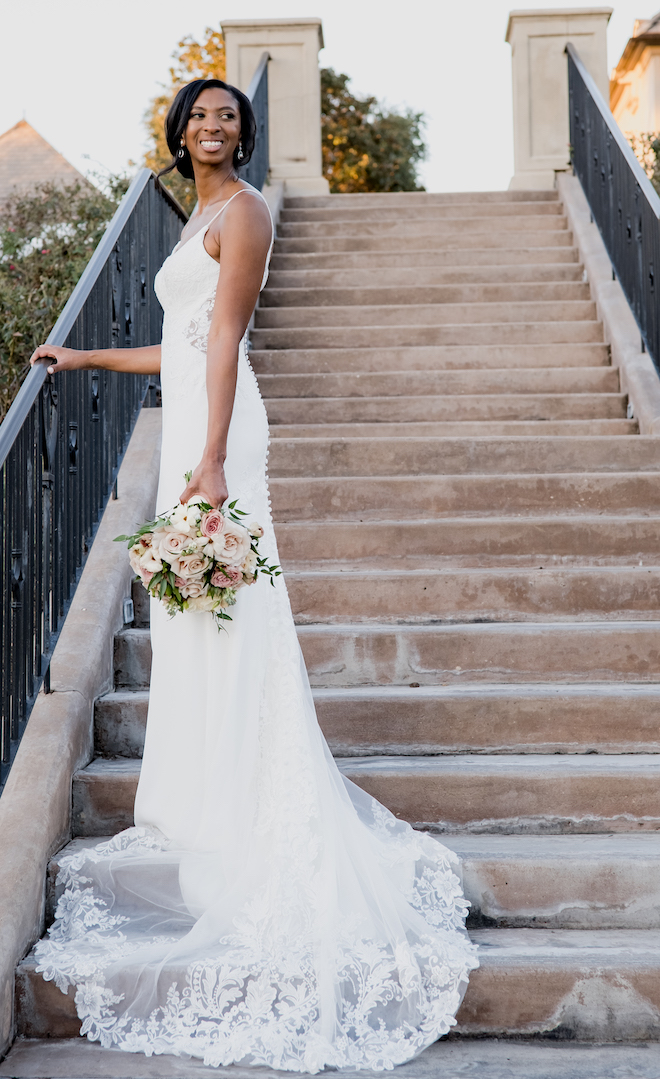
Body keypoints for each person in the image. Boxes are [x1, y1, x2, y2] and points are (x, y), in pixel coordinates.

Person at [30, 78, 478, 1073]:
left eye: (227, 116)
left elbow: (226, 340)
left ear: (244, 133)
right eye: (198, 116)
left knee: (231, 616)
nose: (212, 127)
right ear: (179, 133)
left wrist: (216, 457)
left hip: (224, 437)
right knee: (195, 624)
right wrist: (87, 356)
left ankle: (248, 806)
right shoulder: (199, 213)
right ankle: (204, 803)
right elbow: (182, 347)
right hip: (199, 418)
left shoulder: (250, 210)